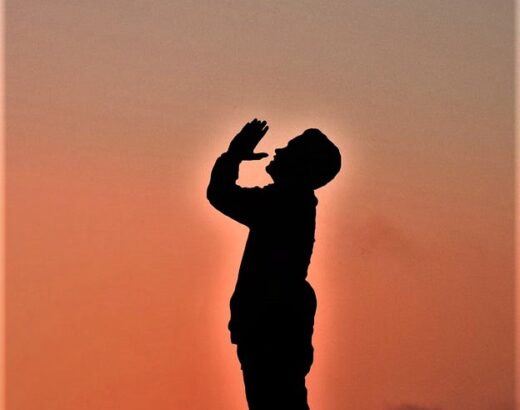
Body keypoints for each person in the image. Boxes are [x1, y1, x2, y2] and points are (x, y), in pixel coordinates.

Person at [207, 119, 341, 410]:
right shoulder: (291, 202)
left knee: (275, 399)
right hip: (274, 319)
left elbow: (220, 194)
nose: (278, 150)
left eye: (289, 149)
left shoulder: (285, 202)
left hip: (271, 321)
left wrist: (234, 155)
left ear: (303, 166)